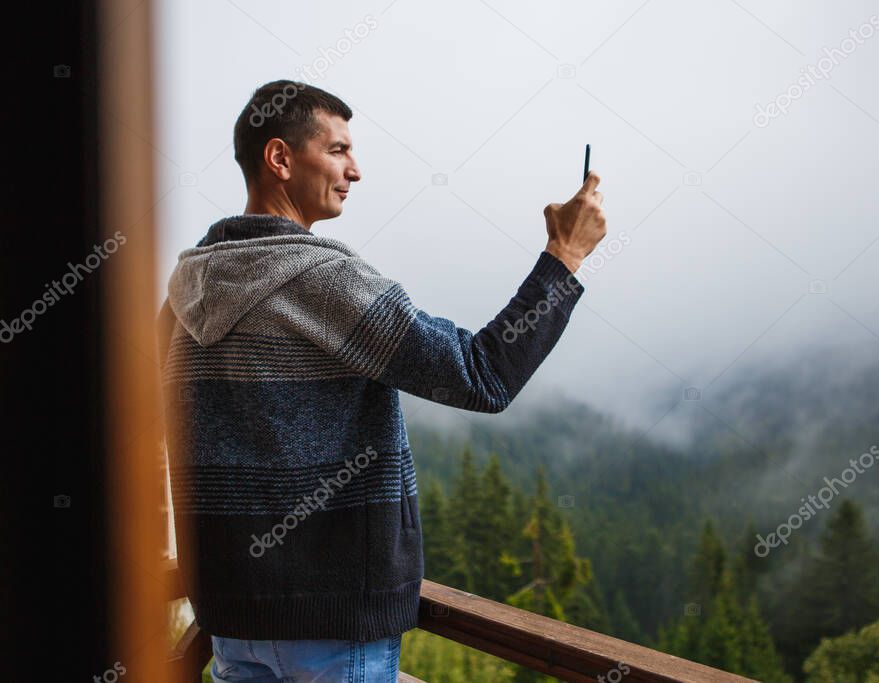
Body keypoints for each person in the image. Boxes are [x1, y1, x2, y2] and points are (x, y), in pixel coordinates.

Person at [157, 79, 606, 682]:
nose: (356, 170)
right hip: (332, 623)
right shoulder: (320, 278)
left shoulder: (185, 290)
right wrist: (565, 256)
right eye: (338, 150)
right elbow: (481, 376)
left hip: (232, 618)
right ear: (280, 159)